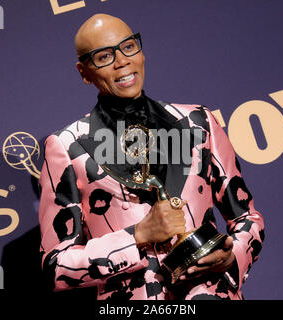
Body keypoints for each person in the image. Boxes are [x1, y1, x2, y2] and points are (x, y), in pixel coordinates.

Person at [38, 13, 264, 300]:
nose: (122, 61)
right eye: (104, 56)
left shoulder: (199, 122)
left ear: (141, 52)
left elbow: (248, 217)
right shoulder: (67, 147)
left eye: (129, 47)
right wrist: (136, 236)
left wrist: (232, 257)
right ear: (84, 72)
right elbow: (55, 266)